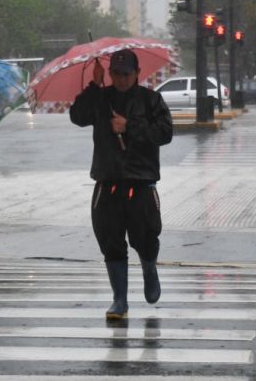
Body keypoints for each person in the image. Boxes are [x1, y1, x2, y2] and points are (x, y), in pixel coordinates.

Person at [69, 48, 173, 320]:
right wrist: (94, 84)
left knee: (146, 238)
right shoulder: (101, 98)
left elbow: (165, 133)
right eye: (116, 73)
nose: (121, 79)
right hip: (108, 182)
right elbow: (77, 116)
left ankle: (149, 267)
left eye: (126, 73)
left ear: (137, 73)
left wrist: (130, 127)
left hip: (141, 183)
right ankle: (120, 299)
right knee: (111, 242)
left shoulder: (151, 100)